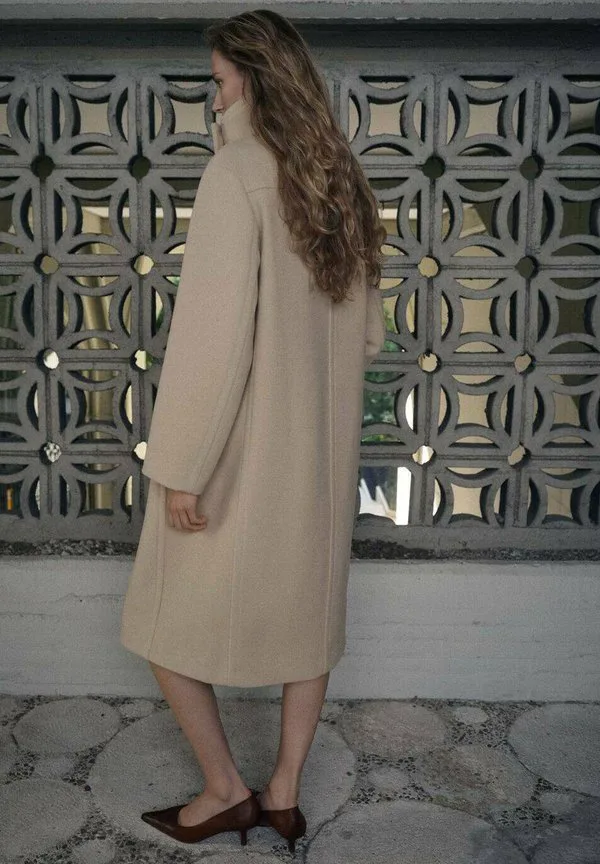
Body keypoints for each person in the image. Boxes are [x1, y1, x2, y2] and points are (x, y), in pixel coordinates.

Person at [119, 8, 387, 854]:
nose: (214, 98)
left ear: (253, 80)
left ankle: (225, 791)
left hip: (239, 450)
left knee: (157, 622)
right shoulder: (340, 179)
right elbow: (369, 335)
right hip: (321, 454)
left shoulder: (235, 172)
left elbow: (212, 341)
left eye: (219, 80)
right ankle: (284, 795)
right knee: (308, 625)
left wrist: (181, 465)